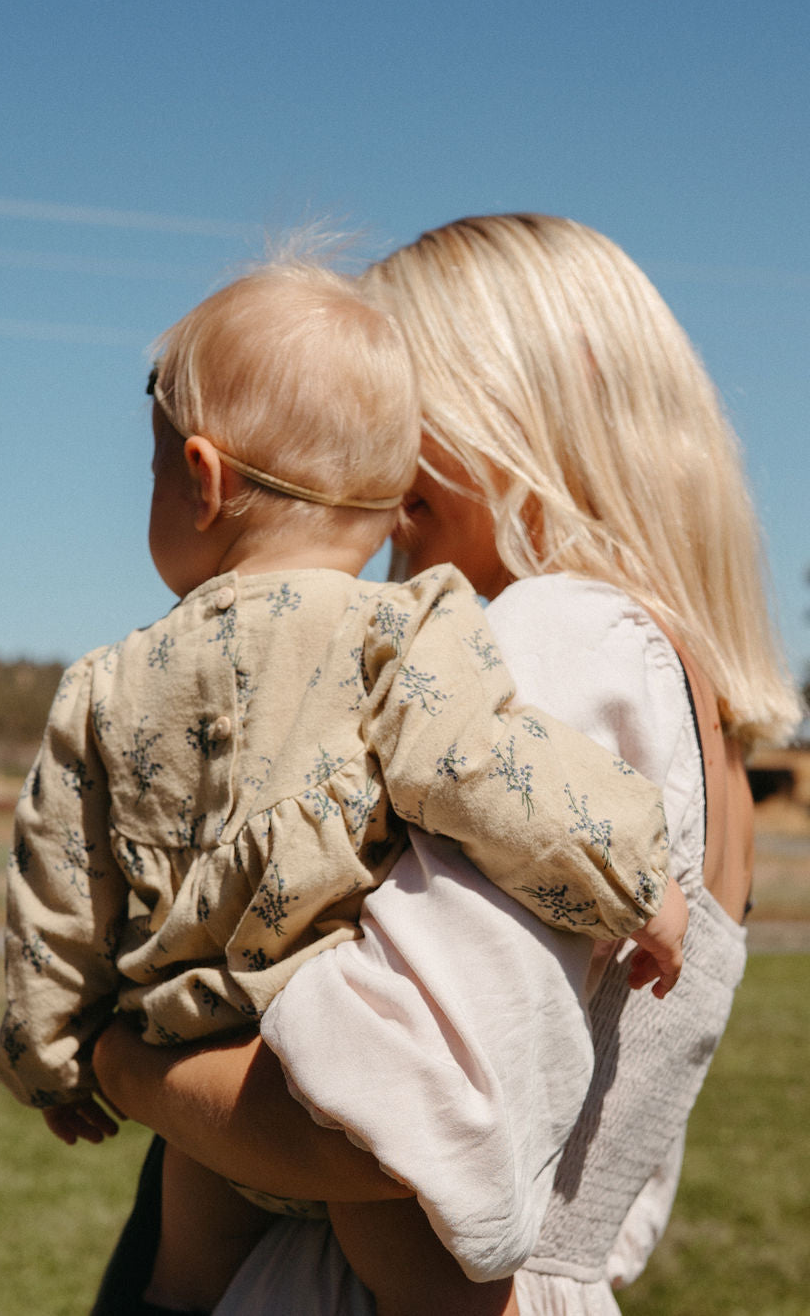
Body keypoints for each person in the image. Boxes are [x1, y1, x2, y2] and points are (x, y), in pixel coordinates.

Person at [89, 214, 800, 1316]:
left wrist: (120, 1061)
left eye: (393, 400)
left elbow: (400, 1123)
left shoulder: (552, 639)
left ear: (524, 399)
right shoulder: (696, 703)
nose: (359, 446)